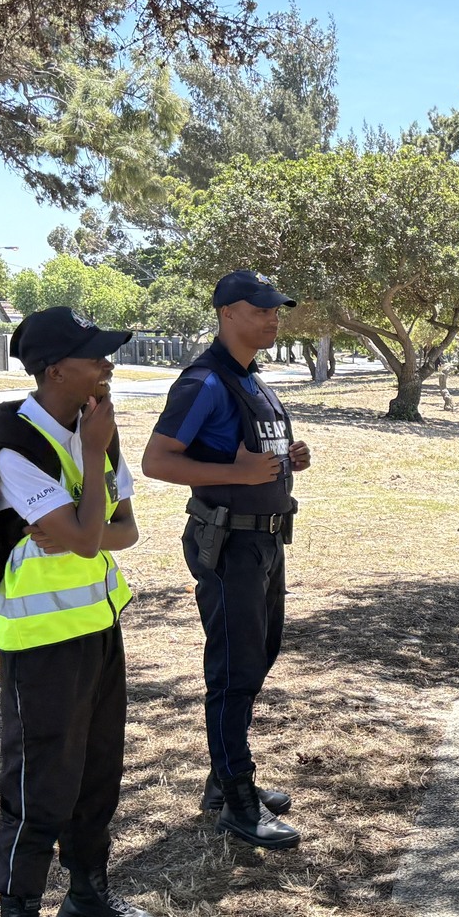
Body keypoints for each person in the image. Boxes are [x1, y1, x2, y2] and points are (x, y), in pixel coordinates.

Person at [0, 307, 156, 917]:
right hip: (41, 640)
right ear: (54, 371)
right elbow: (81, 533)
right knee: (39, 784)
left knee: (97, 772)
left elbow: (119, 534)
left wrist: (84, 524)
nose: (107, 366)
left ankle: (87, 897)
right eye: (94, 357)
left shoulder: (97, 427)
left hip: (99, 625)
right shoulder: (16, 442)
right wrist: (85, 513)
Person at [142, 270, 312, 850]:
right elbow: (158, 461)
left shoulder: (253, 380)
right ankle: (237, 801)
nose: (273, 319)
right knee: (233, 669)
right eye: (263, 310)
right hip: (229, 544)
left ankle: (225, 777)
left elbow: (254, 453)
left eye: (275, 310)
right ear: (229, 314)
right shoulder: (204, 381)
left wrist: (288, 459)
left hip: (265, 541)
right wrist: (237, 474)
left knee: (259, 656)